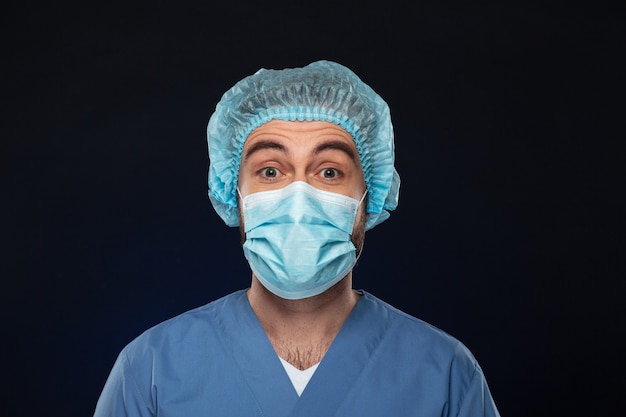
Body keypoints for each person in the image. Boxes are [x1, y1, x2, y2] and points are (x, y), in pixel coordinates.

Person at [94, 60, 501, 416]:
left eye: (329, 171)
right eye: (270, 171)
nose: (299, 197)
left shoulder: (445, 375)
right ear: (233, 195)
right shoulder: (151, 372)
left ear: (368, 196)